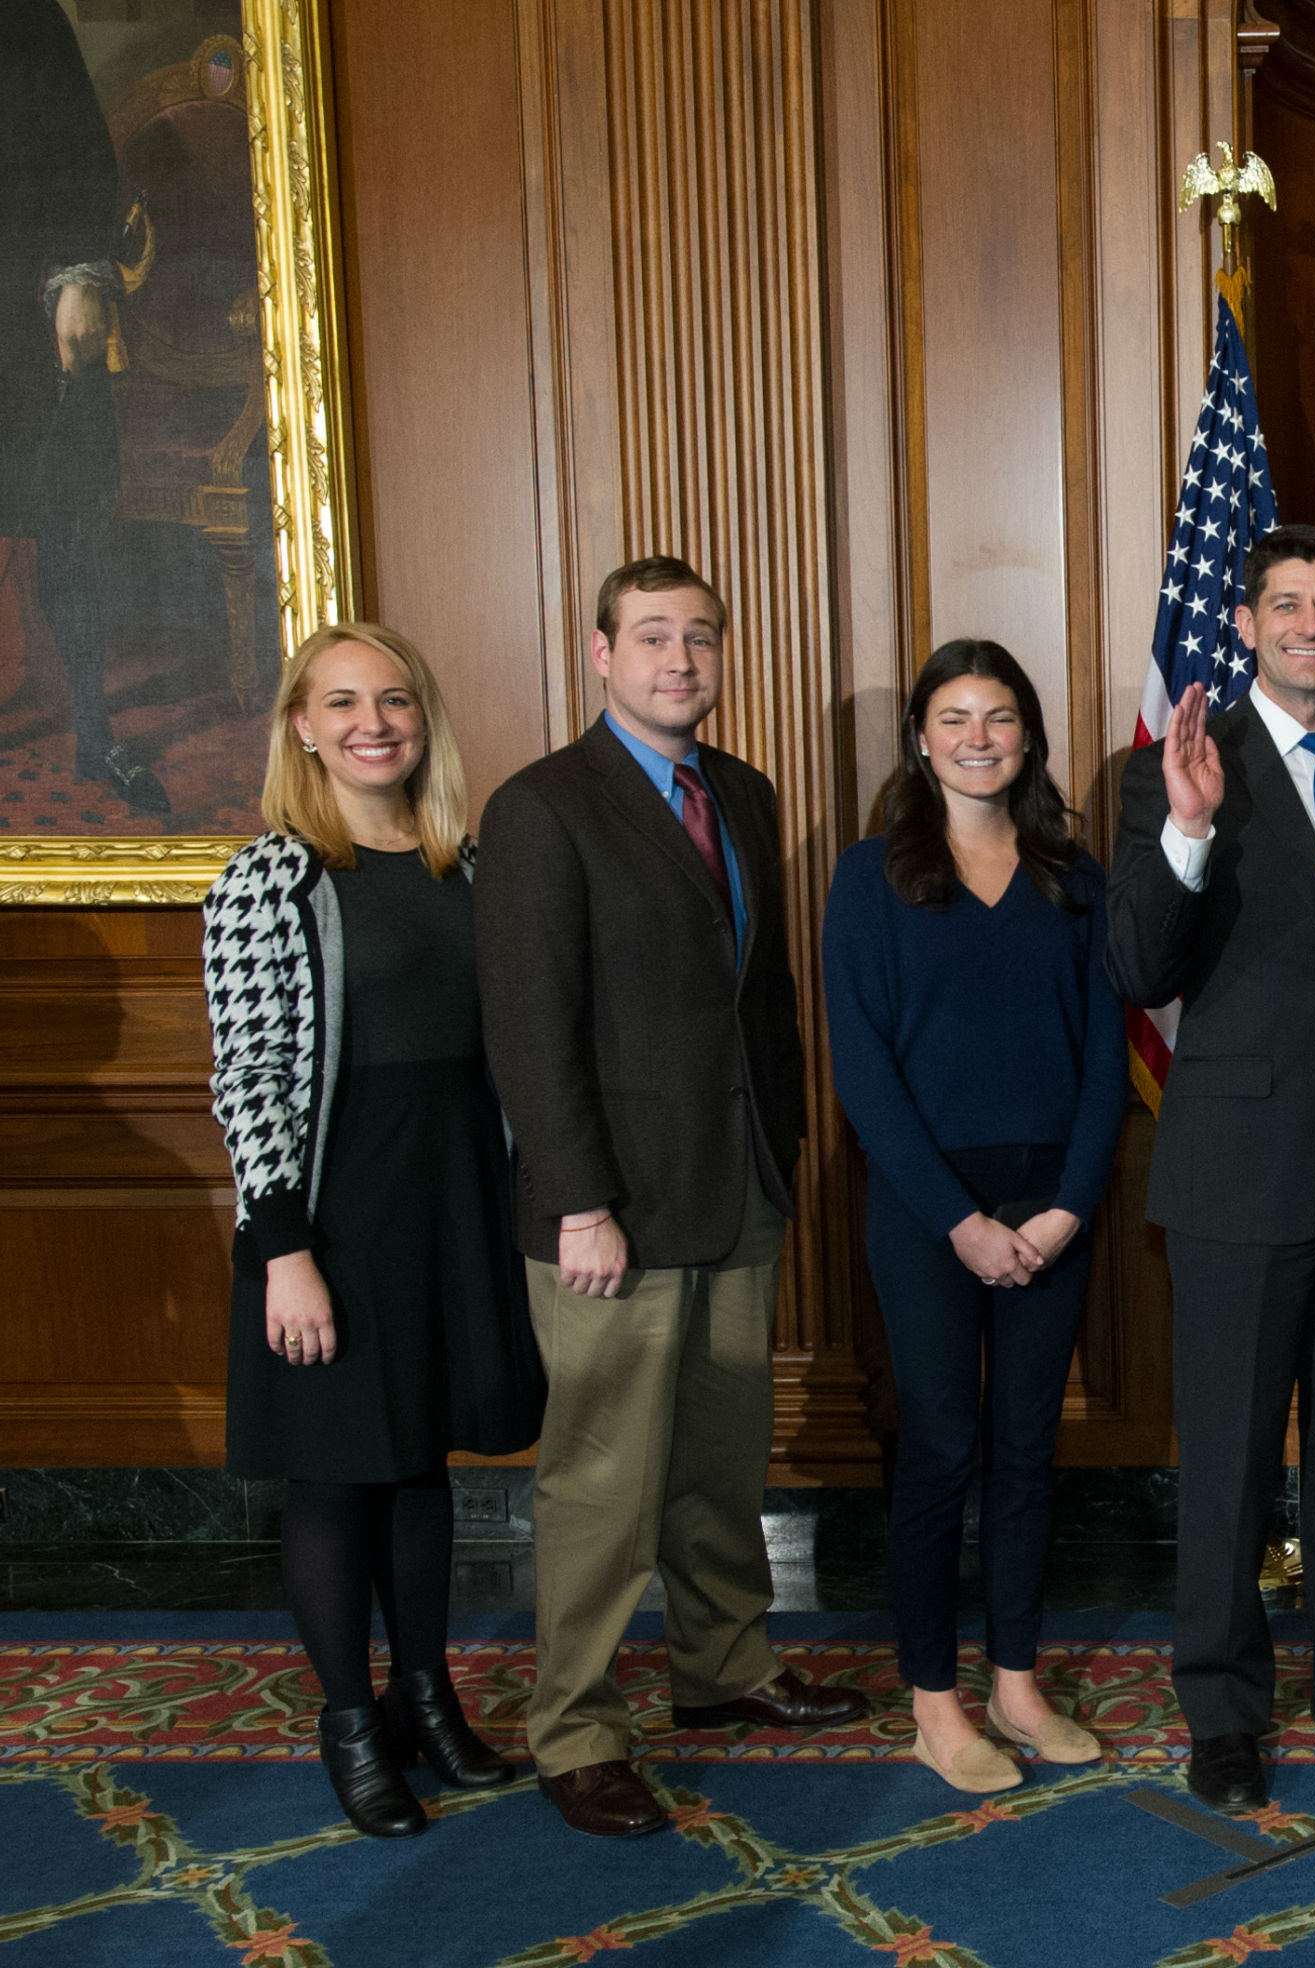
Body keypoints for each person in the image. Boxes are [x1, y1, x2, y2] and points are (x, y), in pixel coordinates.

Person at [477, 556, 865, 1839]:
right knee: (602, 1480)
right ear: (600, 654)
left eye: (701, 635)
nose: (680, 659)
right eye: (652, 637)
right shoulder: (543, 806)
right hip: (612, 1215)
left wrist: (789, 1145)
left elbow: (759, 996)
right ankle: (577, 1730)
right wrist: (579, 1200)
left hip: (736, 1188)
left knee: (715, 1459)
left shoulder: (740, 793)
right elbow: (531, 1030)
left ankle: (724, 1670)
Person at [1105, 522, 1315, 1811]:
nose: (1308, 625)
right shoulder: (1175, 769)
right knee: (1236, 1453)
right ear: (1244, 623)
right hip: (1239, 1172)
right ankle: (1224, 1706)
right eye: (1284, 606)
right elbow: (1141, 966)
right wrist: (1190, 832)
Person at [205, 622, 543, 1838]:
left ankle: (426, 1698)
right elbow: (247, 1080)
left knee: (421, 1463)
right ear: (301, 725)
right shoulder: (274, 876)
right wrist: (284, 1251)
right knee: (340, 1472)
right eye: (342, 702)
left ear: (424, 719)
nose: (372, 723)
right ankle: (351, 1722)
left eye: (394, 699)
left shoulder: (473, 860)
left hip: (450, 1198)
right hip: (334, 1218)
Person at [825, 641, 1127, 1794]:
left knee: (1025, 1451)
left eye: (999, 717)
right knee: (942, 1447)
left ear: (1028, 736)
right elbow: (864, 1074)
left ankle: (1014, 1680)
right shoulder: (872, 877)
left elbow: (1106, 1062)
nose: (978, 738)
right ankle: (935, 1703)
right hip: (926, 1207)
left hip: (1051, 1204)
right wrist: (958, 1221)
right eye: (954, 717)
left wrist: (1065, 1210)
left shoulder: (1072, 872)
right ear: (919, 737)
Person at [0, 0, 164, 812]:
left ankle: (95, 731)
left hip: (29, 300)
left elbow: (76, 153)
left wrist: (79, 278)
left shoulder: (27, 16)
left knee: (66, 519)